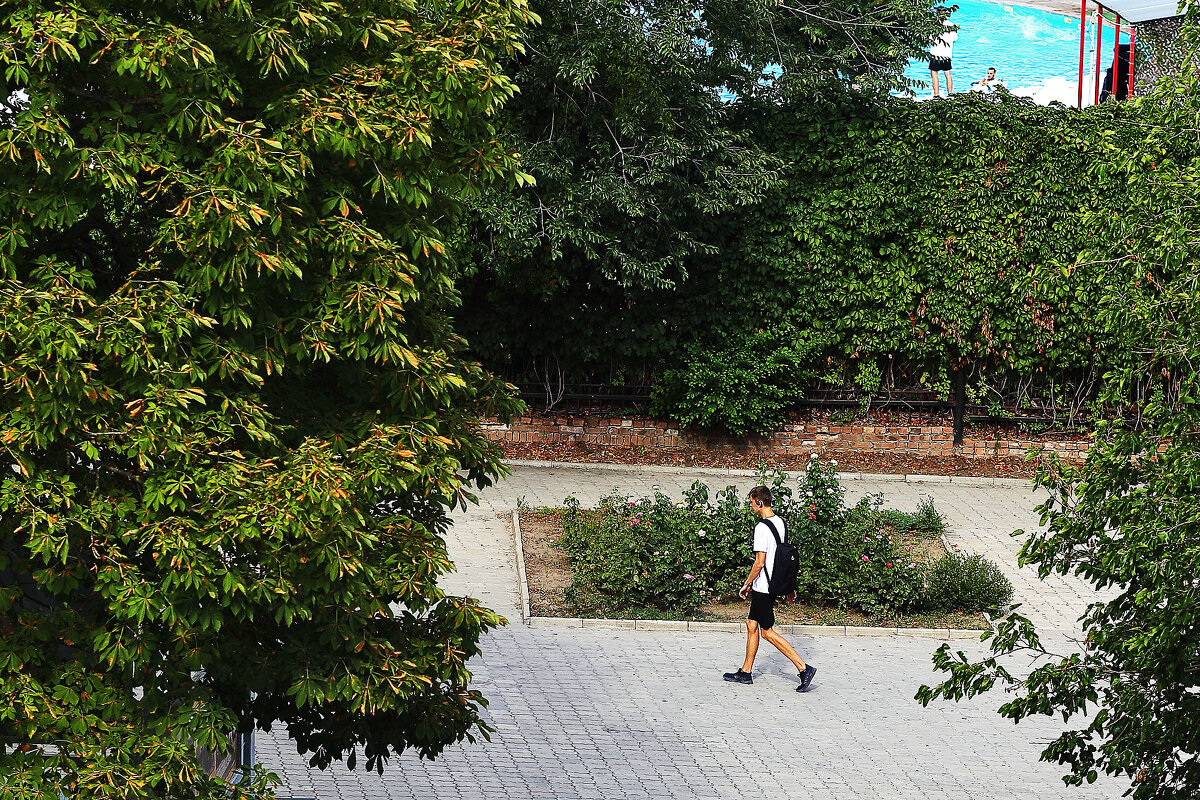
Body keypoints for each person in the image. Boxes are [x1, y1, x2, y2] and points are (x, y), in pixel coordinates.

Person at [722, 485, 817, 692]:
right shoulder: (780, 523)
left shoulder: (761, 527)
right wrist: (790, 586)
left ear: (759, 501)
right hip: (774, 583)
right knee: (751, 624)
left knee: (766, 632)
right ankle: (746, 672)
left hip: (764, 586)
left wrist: (747, 584)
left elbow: (759, 562)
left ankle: (803, 668)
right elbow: (784, 557)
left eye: (751, 502)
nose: (750, 506)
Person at [929, 22, 959, 97]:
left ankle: (936, 94)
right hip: (947, 54)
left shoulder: (934, 25)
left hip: (935, 53)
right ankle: (950, 93)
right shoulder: (952, 25)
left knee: (934, 73)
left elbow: (930, 38)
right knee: (948, 73)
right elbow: (955, 39)